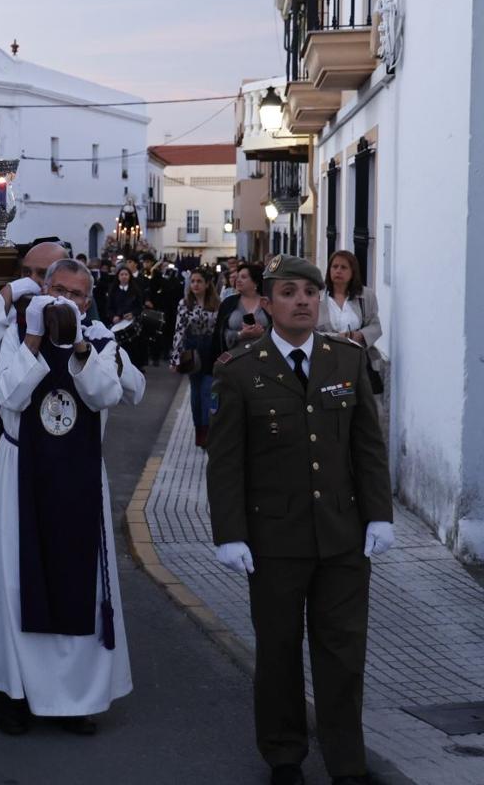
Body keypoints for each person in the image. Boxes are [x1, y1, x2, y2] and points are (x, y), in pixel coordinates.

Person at [206, 255, 393, 785]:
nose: (304, 301)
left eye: (310, 292)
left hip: (342, 538)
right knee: (280, 652)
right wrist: (231, 534)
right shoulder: (240, 370)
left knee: (343, 654)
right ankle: (284, 755)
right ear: (267, 304)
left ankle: (347, 763)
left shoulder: (346, 360)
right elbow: (226, 464)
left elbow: (368, 448)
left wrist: (379, 516)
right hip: (274, 540)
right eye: (289, 293)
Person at [0, 257, 144, 737]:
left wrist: (82, 347)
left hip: (79, 476)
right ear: (44, 289)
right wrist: (31, 338)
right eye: (59, 290)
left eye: (77, 294)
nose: (66, 300)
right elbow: (9, 393)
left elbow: (109, 395)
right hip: (21, 470)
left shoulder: (101, 340)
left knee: (80, 588)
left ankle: (75, 700)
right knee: (15, 584)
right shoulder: (17, 335)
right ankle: (17, 694)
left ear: (88, 301)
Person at [0, 240, 67, 714]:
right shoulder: (9, 319)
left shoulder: (74, 321)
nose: (39, 283)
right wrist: (5, 298)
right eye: (30, 272)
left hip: (56, 467)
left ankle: (49, 683)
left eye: (47, 274)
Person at [317, 251, 383, 390]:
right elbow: (309, 330)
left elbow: (375, 326)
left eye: (343, 267)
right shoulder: (318, 297)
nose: (338, 271)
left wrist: (358, 335)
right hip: (326, 360)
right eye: (334, 267)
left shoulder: (366, 296)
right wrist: (336, 337)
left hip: (357, 360)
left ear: (353, 271)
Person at [169, 270, 220, 446]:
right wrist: (175, 359)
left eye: (199, 281)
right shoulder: (185, 303)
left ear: (207, 284)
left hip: (211, 351)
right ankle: (199, 429)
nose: (195, 284)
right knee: (196, 394)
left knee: (208, 391)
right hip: (193, 352)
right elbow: (179, 330)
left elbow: (219, 330)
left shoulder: (216, 303)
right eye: (193, 281)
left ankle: (208, 432)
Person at [213, 261, 269, 358]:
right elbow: (219, 334)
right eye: (237, 277)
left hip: (265, 358)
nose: (237, 280)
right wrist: (240, 335)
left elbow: (279, 332)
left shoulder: (268, 302)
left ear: (255, 281)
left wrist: (262, 334)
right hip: (234, 359)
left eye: (243, 277)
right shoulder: (228, 303)